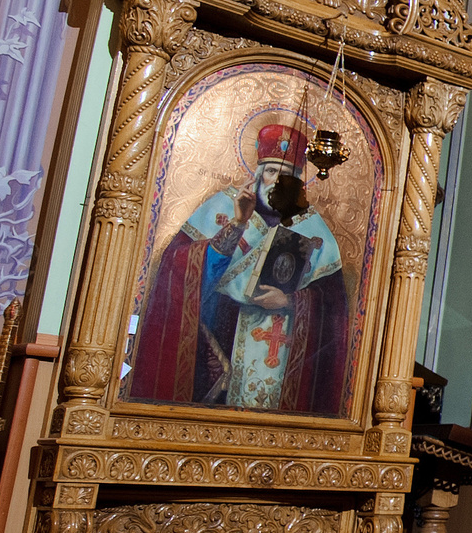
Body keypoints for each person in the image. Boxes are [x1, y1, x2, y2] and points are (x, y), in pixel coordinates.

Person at [128, 120, 350, 415]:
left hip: (282, 356)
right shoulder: (224, 207)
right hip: (220, 342)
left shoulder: (313, 228)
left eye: (287, 175)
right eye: (271, 171)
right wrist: (238, 223)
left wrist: (291, 301)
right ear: (258, 175)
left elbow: (333, 307)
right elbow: (179, 270)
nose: (277, 182)